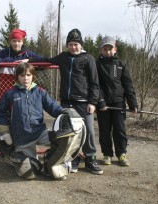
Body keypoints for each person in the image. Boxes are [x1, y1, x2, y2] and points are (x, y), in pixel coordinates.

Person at [0, 62, 84, 180]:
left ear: (33, 76)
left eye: (28, 75)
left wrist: (67, 113)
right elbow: (0, 112)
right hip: (22, 136)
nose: (25, 78)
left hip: (40, 132)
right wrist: (5, 132)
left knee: (63, 141)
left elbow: (53, 108)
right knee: (29, 171)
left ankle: (51, 162)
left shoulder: (40, 92)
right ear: (17, 77)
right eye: (22, 75)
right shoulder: (10, 93)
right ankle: (15, 158)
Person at [47, 28, 103, 175]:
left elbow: (95, 83)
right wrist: (30, 61)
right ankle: (75, 157)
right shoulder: (63, 57)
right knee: (70, 132)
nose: (73, 47)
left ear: (81, 45)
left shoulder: (88, 58)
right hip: (67, 103)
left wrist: (93, 102)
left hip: (84, 102)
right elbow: (47, 60)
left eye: (76, 44)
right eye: (71, 44)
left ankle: (90, 158)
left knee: (88, 131)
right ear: (67, 45)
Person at [96, 36, 138, 166]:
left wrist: (133, 103)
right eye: (105, 49)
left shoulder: (121, 64)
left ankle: (121, 154)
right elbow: (95, 85)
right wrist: (101, 101)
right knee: (104, 130)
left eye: (110, 48)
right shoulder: (97, 65)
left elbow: (128, 85)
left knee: (119, 129)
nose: (107, 51)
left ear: (115, 49)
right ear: (101, 50)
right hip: (103, 104)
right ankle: (107, 154)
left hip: (119, 103)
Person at [0, 28, 45, 100]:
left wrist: (29, 60)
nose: (16, 44)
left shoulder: (28, 53)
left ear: (22, 42)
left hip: (24, 90)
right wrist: (9, 61)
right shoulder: (5, 53)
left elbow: (43, 61)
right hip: (5, 90)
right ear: (10, 42)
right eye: (14, 41)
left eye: (19, 41)